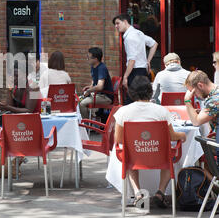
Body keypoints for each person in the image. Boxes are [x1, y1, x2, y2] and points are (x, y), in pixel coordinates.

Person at [114, 76, 186, 208]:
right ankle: (160, 192)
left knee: (129, 157)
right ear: (150, 91)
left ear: (131, 92)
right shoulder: (162, 111)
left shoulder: (123, 111)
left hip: (135, 154)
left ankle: (138, 193)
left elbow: (118, 139)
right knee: (167, 157)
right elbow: (172, 136)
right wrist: (182, 135)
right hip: (158, 155)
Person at [113, 13, 158, 105]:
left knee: (131, 101)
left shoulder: (130, 37)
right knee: (142, 100)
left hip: (135, 73)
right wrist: (147, 61)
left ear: (125, 22)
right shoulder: (138, 33)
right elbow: (154, 44)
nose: (116, 26)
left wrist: (125, 77)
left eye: (118, 23)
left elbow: (132, 60)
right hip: (142, 71)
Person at [184, 70, 219, 167]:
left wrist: (187, 101)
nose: (194, 96)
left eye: (194, 93)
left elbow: (196, 122)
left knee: (198, 152)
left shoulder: (214, 99)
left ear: (200, 85)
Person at [79, 47, 114, 119]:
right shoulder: (93, 67)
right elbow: (94, 81)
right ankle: (93, 120)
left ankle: (86, 126)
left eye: (88, 57)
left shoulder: (101, 68)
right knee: (79, 100)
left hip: (106, 97)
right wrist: (90, 87)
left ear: (95, 59)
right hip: (99, 95)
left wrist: (89, 91)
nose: (87, 59)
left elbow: (100, 86)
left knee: (82, 104)